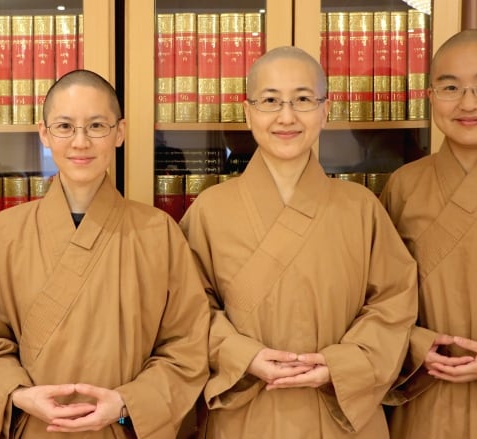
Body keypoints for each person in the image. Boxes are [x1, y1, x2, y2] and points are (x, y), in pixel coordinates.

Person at [179, 46, 418, 437]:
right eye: (270, 100)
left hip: (340, 417)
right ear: (248, 111)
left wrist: (341, 365)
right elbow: (185, 312)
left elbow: (394, 304)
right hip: (244, 416)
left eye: (303, 100)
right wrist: (244, 356)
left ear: (325, 110)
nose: (286, 116)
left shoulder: (361, 208)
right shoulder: (209, 209)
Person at [0, 69, 210, 438]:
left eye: (97, 126)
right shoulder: (3, 234)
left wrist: (126, 403)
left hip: (121, 428)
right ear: (44, 133)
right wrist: (21, 395)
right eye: (64, 126)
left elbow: (186, 348)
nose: (80, 142)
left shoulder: (158, 232)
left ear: (120, 132)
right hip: (36, 428)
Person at [381, 29, 477, 438]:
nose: (469, 103)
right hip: (425, 404)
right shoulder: (403, 186)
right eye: (451, 87)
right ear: (431, 96)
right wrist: (417, 344)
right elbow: (371, 300)